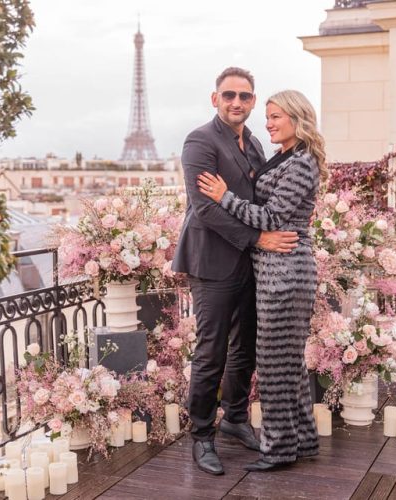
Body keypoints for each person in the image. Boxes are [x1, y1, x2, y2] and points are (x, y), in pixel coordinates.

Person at [171, 67, 300, 476]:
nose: (236, 102)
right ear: (215, 99)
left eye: (245, 96)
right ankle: (203, 435)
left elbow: (263, 198)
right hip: (212, 262)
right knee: (212, 351)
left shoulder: (257, 143)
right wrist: (260, 240)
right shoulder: (200, 141)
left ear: (253, 101)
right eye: (229, 95)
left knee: (247, 346)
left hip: (249, 264)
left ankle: (236, 418)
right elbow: (206, 210)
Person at [198, 89, 326, 471]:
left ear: (297, 119)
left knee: (274, 365)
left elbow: (271, 218)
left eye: (276, 117)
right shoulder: (282, 156)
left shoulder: (301, 162)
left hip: (284, 270)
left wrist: (223, 197)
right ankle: (302, 440)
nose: (268, 123)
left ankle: (279, 449)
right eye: (267, 117)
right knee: (289, 363)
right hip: (274, 269)